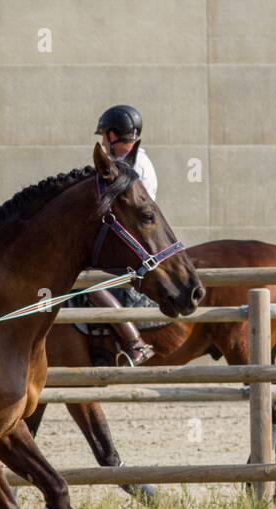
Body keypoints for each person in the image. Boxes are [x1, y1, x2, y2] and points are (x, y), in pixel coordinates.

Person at [80, 104, 161, 366]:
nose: (102, 142)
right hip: (132, 235)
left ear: (114, 135)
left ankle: (133, 341)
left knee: (87, 280)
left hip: (132, 242)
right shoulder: (132, 162)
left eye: (103, 136)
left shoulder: (131, 166)